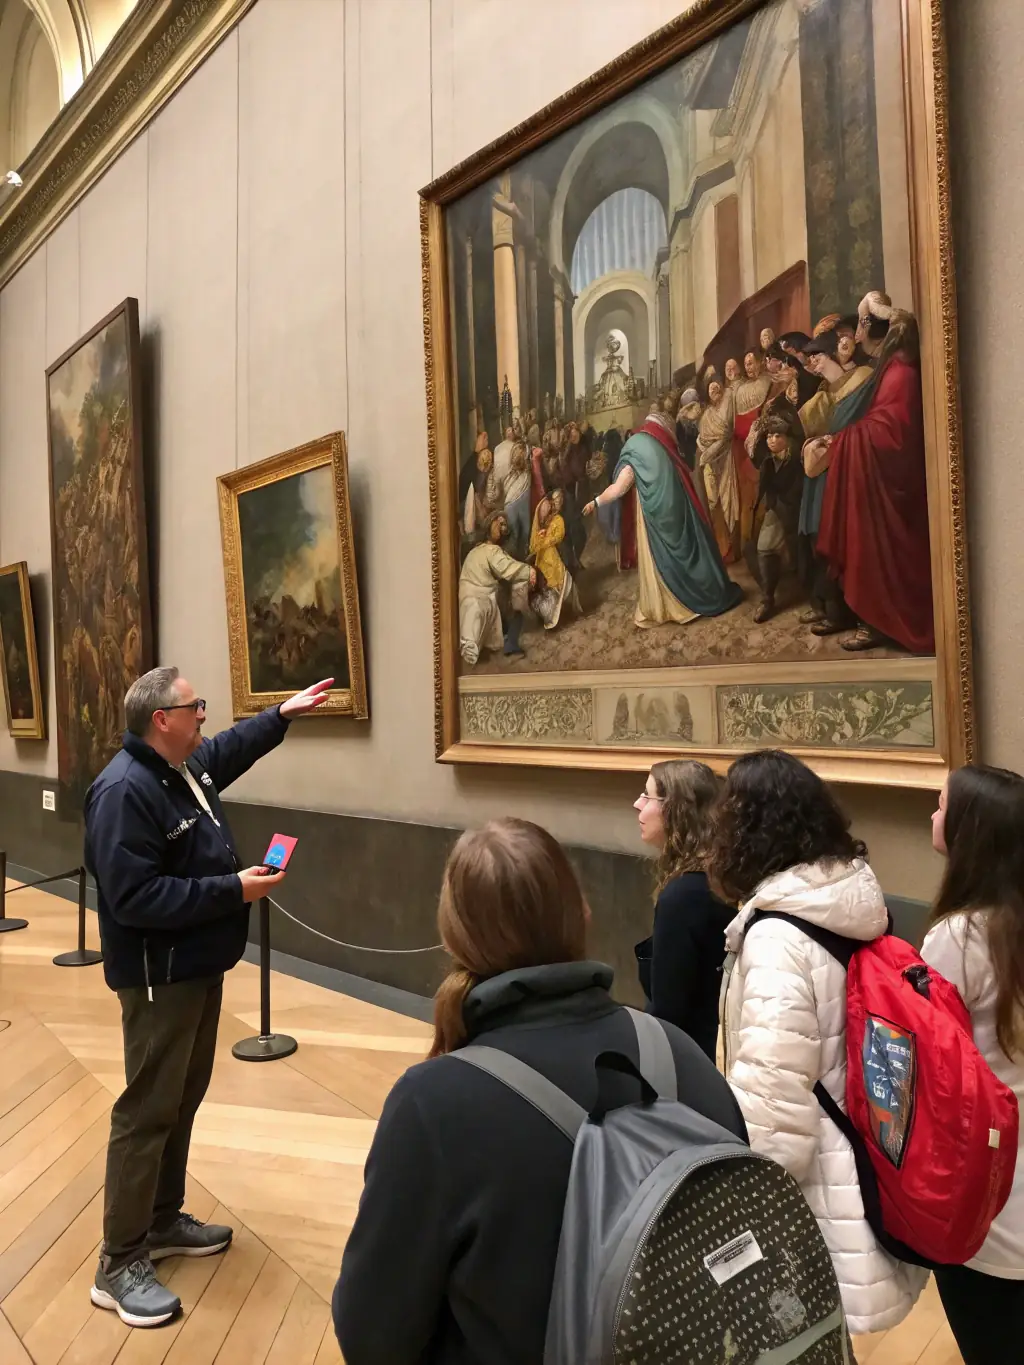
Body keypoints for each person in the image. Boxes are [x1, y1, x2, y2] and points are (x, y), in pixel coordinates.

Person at [332, 818, 747, 1364]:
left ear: (454, 937)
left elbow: (372, 1337)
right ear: (583, 913)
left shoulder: (432, 1105)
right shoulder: (677, 1053)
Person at [83, 667, 333, 1327]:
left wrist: (282, 714)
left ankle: (160, 1221)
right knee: (146, 1111)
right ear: (160, 719)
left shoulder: (179, 765)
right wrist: (233, 890)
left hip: (195, 966)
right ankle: (118, 1260)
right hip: (158, 977)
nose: (204, 715)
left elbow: (229, 749)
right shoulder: (123, 792)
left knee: (180, 1099)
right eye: (195, 706)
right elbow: (136, 898)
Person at [713, 750, 927, 1337]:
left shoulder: (779, 936)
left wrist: (746, 1204)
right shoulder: (850, 901)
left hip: (820, 1193)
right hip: (863, 1157)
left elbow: (772, 1103)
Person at [920, 765, 1024, 1363]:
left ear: (970, 831)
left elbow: (936, 1072)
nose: (933, 817)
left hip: (991, 1175)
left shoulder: (960, 938)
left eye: (940, 807)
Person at [816, 292, 935, 654]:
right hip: (875, 477)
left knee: (869, 545)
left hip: (888, 483)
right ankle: (867, 619)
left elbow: (893, 433)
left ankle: (878, 622)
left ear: (868, 327)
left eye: (861, 323)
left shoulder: (900, 369)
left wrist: (844, 441)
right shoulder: (892, 363)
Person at [582, 411, 742, 627]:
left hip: (655, 518)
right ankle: (700, 593)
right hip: (678, 511)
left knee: (663, 559)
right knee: (689, 549)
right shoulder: (663, 446)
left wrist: (596, 502)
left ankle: (668, 606)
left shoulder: (634, 449)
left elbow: (619, 489)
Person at [632, 761, 732, 1062]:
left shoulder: (684, 895)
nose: (638, 804)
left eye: (648, 797)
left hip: (696, 1062)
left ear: (678, 809)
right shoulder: (718, 875)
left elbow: (670, 1011)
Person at [747, 410, 805, 622]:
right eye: (769, 436)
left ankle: (769, 599)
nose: (772, 440)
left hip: (794, 513)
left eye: (777, 435)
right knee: (752, 548)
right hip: (775, 510)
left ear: (787, 438)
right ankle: (769, 596)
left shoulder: (798, 460)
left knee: (766, 546)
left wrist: (777, 508)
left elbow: (798, 492)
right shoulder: (768, 462)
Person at [458, 514, 536, 664]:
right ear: (489, 524)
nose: (503, 528)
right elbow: (508, 568)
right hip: (479, 596)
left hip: (469, 595)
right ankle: (510, 646)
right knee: (514, 608)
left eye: (505, 525)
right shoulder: (491, 551)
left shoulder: (478, 549)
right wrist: (529, 571)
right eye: (499, 523)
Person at [528, 491, 580, 630]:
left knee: (561, 580)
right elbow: (533, 546)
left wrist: (545, 541)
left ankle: (565, 612)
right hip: (543, 559)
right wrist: (541, 538)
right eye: (544, 509)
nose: (548, 509)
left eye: (549, 507)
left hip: (556, 555)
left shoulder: (558, 520)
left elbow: (559, 536)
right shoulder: (539, 526)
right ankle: (550, 614)